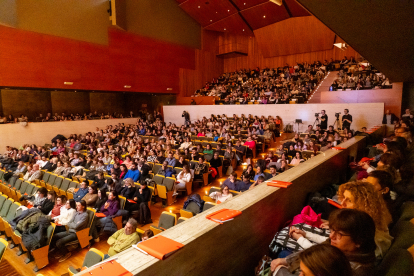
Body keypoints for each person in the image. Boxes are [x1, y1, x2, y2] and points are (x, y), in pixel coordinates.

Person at [270, 209, 376, 276]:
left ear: (359, 240)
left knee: (281, 254)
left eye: (339, 234)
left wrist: (280, 270)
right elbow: (320, 248)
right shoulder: (345, 249)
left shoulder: (351, 269)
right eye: (332, 230)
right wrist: (286, 260)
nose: (331, 236)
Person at [337, 181, 393, 258]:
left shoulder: (366, 234)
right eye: (343, 198)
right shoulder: (374, 220)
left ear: (362, 205)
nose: (342, 203)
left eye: (349, 200)